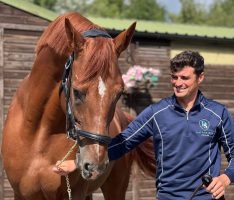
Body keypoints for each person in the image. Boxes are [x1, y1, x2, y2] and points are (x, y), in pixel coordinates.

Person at [53, 50, 234, 200]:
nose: (178, 83)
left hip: (207, 197)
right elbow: (123, 142)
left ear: (200, 77)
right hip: (167, 197)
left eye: (184, 78)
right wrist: (78, 162)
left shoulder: (217, 113)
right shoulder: (157, 113)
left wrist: (226, 178)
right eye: (174, 77)